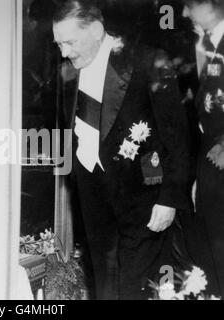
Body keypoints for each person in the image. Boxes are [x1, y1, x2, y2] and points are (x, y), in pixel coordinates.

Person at [53, 0, 190, 299]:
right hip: (93, 198)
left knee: (135, 287)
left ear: (97, 30)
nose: (64, 52)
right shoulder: (67, 72)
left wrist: (169, 198)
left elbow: (178, 139)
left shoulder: (148, 61)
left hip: (143, 199)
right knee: (102, 283)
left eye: (70, 42)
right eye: (59, 44)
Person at [182, 0, 224, 297]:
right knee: (210, 240)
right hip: (208, 158)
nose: (183, 13)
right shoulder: (201, 45)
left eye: (188, 5)